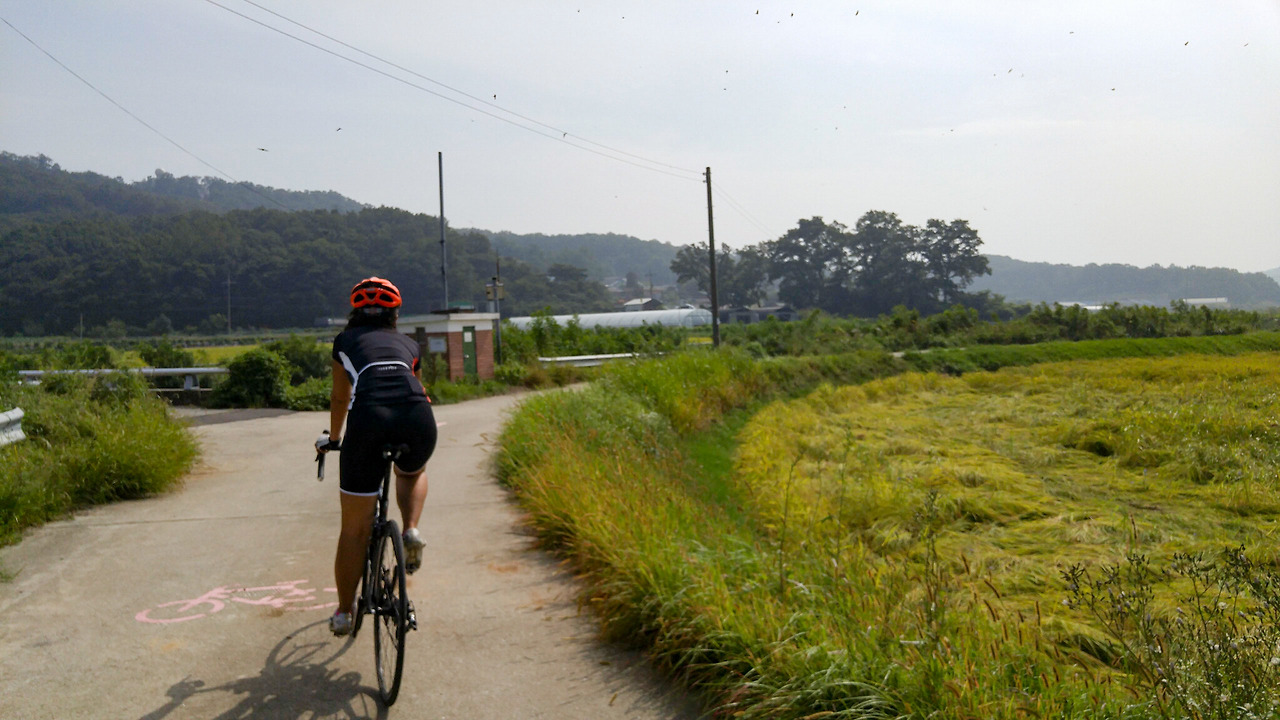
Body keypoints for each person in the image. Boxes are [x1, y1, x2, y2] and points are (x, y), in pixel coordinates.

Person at [315, 276, 437, 637]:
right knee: (411, 471)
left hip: (369, 419)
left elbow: (341, 397)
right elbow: (417, 386)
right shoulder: (410, 344)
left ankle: (343, 613)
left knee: (354, 529)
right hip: (417, 415)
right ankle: (411, 529)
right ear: (395, 314)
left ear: (354, 312)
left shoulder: (345, 341)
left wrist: (333, 438)